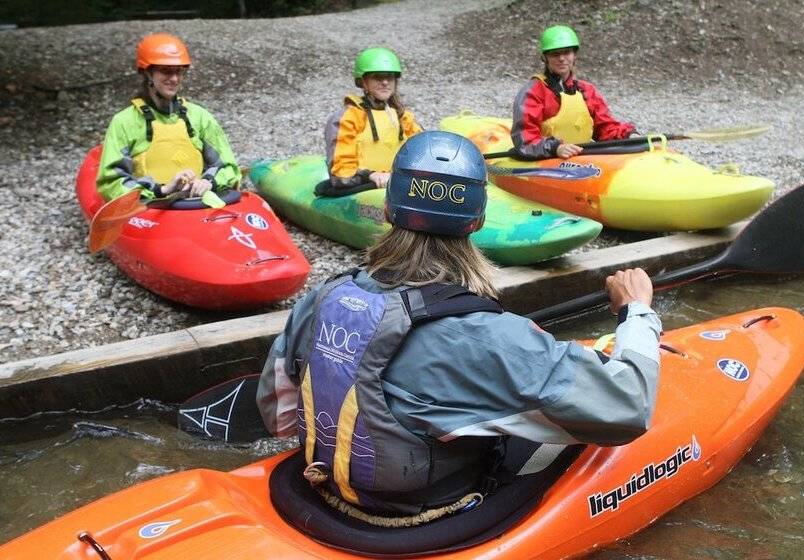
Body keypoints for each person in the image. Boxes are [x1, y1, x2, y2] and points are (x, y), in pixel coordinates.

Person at [257, 130, 661, 518]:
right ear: (477, 221)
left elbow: (280, 417)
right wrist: (635, 311)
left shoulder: (321, 298)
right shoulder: (489, 336)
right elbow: (628, 407)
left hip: (325, 493)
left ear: (388, 209)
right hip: (433, 511)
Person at [96, 33, 241, 202]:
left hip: (194, 205)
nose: (174, 79)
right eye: (166, 71)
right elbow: (111, 183)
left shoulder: (199, 116)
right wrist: (161, 190)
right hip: (149, 207)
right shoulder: (124, 122)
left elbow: (229, 168)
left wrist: (209, 182)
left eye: (179, 72)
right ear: (148, 73)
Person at [511, 25, 636, 160]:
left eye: (567, 53)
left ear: (574, 55)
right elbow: (525, 138)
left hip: (579, 160)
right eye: (555, 54)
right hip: (547, 159)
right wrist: (556, 148)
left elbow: (605, 128)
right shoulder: (533, 92)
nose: (561, 58)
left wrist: (628, 135)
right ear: (544, 57)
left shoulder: (586, 90)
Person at [320, 47, 423, 197]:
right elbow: (342, 173)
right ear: (363, 82)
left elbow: (424, 154)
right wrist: (370, 175)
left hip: (398, 185)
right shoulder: (348, 118)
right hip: (363, 187)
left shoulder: (403, 117)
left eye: (390, 77)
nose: (385, 82)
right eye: (377, 77)